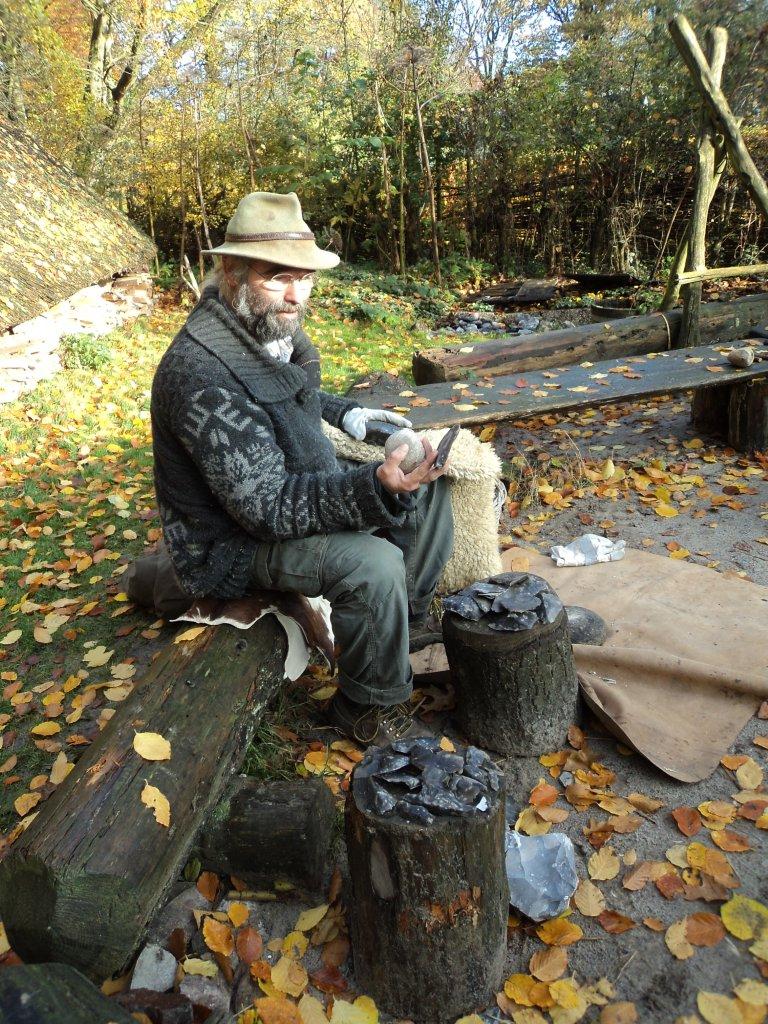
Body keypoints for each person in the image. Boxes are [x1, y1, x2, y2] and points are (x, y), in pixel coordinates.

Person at [150, 191, 454, 744]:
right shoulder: (199, 373)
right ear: (231, 271)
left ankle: (401, 626)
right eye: (277, 276)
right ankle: (367, 706)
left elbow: (291, 393)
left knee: (430, 493)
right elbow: (266, 508)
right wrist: (372, 485)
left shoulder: (263, 322)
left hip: (285, 483)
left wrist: (347, 413)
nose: (295, 295)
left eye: (305, 277)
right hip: (229, 541)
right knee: (372, 564)